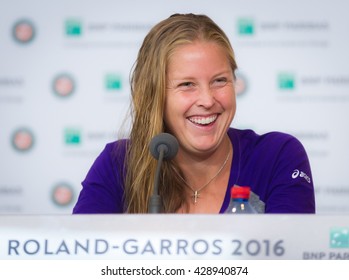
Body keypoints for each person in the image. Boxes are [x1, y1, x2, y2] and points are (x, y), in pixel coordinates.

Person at [73, 13, 315, 214]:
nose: (208, 100)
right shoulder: (118, 163)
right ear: (154, 95)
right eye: (187, 84)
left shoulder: (276, 156)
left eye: (220, 81)